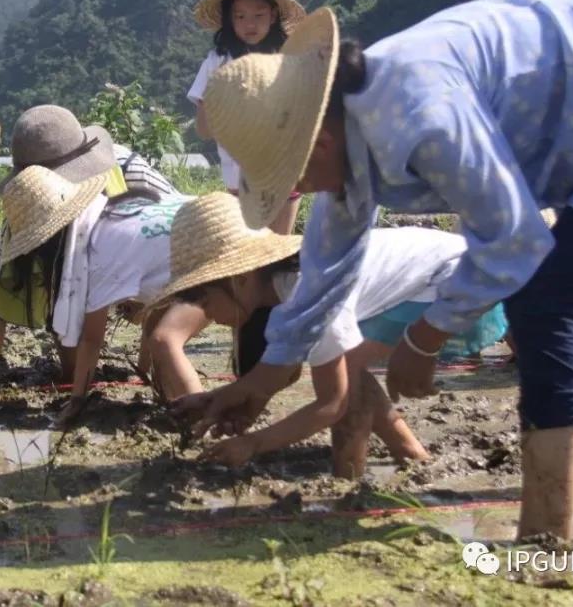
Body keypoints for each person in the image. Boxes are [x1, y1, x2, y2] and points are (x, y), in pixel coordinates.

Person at [185, 0, 573, 539]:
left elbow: (514, 242)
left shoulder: (421, 115)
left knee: (546, 302)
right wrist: (253, 386)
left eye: (292, 179)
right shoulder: (347, 136)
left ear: (318, 147)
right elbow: (321, 279)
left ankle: (545, 548)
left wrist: (426, 337)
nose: (299, 192)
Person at [161, 193, 508, 477]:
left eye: (206, 303)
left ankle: (348, 475)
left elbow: (330, 406)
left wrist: (253, 443)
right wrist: (215, 399)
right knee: (345, 362)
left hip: (459, 291)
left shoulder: (307, 291)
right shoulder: (289, 288)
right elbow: (270, 376)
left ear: (239, 279)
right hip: (451, 279)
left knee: (346, 375)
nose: (207, 317)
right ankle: (412, 456)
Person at [0, 105, 180, 394]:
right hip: (74, 283)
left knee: (162, 365)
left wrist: (148, 367)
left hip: (147, 272)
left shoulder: (128, 171)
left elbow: (175, 247)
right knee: (71, 374)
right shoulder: (29, 206)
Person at [0, 166, 201, 422]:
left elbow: (91, 340)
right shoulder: (112, 211)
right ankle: (179, 405)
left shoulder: (95, 254)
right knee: (158, 330)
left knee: (165, 340)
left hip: (210, 258)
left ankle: (205, 427)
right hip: (222, 226)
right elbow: (161, 290)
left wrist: (77, 400)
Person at [189, 0, 305, 230]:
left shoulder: (288, 59)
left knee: (278, 252)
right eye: (240, 16)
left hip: (282, 174)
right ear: (230, 20)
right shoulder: (216, 62)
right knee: (247, 258)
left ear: (273, 15)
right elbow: (204, 129)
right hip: (238, 179)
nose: (249, 24)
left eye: (258, 15)